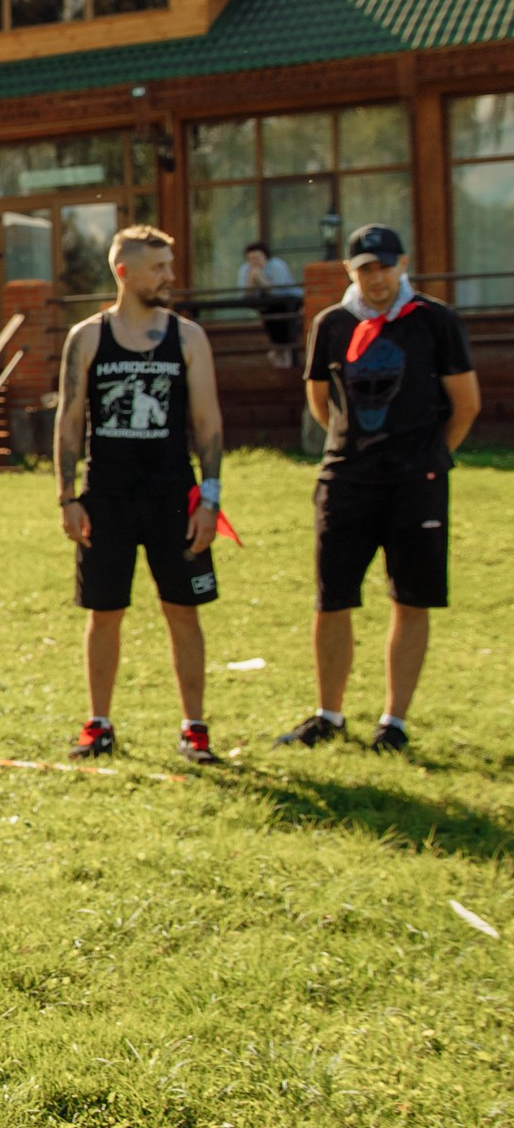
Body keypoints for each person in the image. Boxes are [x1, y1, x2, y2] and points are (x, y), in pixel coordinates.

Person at [277, 223, 481, 754]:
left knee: (409, 599)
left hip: (417, 482)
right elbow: (320, 401)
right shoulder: (332, 324)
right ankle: (329, 713)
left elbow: (466, 404)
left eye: (385, 266)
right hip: (347, 480)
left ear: (403, 263)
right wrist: (354, 446)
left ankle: (395, 721)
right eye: (366, 268)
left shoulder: (436, 322)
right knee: (332, 598)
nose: (377, 277)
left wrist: (430, 456)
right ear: (351, 272)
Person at [53, 226, 229, 765]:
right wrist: (67, 496)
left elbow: (208, 423)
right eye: (159, 267)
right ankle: (99, 724)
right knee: (104, 612)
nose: (169, 277)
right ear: (124, 272)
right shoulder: (87, 338)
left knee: (184, 611)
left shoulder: (188, 338)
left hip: (173, 496)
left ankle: (194, 728)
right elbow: (70, 420)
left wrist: (211, 498)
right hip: (105, 497)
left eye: (170, 266)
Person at [242, 239, 302, 350]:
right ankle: (279, 350)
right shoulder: (245, 269)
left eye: (257, 258)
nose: (254, 261)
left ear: (265, 256)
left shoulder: (276, 265)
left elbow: (276, 291)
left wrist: (260, 278)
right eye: (251, 259)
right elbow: (246, 295)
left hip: (287, 301)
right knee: (270, 321)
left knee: (284, 325)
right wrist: (251, 279)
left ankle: (286, 351)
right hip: (266, 305)